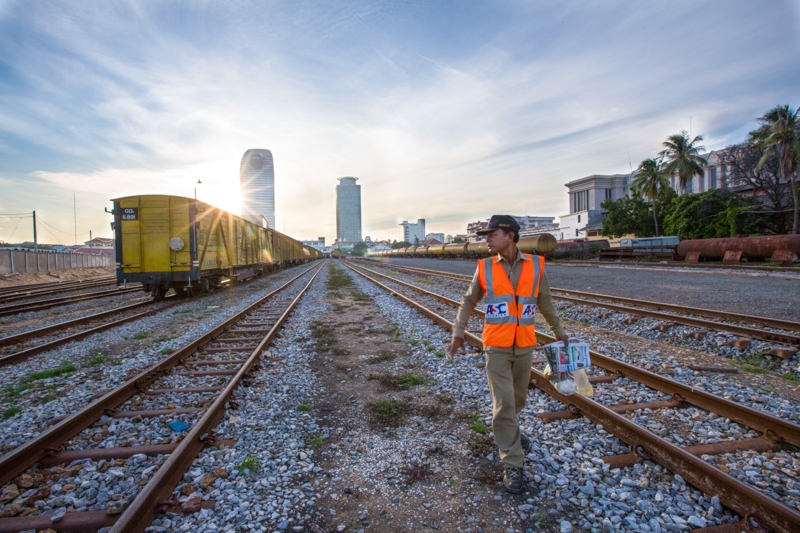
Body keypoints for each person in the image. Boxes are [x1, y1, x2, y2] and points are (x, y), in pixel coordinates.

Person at [447, 215, 568, 494]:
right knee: (503, 405)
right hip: (497, 347)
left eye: (492, 234)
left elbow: (545, 302)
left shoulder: (536, 266)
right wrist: (458, 332)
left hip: (525, 345)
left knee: (517, 400)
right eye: (485, 235)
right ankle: (514, 463)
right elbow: (468, 301)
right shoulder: (485, 268)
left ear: (510, 236)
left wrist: (559, 332)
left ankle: (511, 433)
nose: (486, 239)